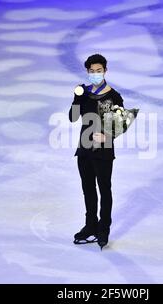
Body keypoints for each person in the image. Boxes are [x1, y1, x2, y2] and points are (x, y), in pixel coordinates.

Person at [69, 54, 124, 250]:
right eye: (91, 72)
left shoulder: (114, 96)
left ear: (105, 71)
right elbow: (73, 118)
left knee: (104, 188)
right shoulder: (83, 92)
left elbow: (121, 123)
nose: (95, 74)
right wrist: (77, 98)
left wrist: (108, 137)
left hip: (103, 151)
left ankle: (103, 228)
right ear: (87, 72)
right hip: (84, 149)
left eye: (98, 71)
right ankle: (90, 225)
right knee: (88, 189)